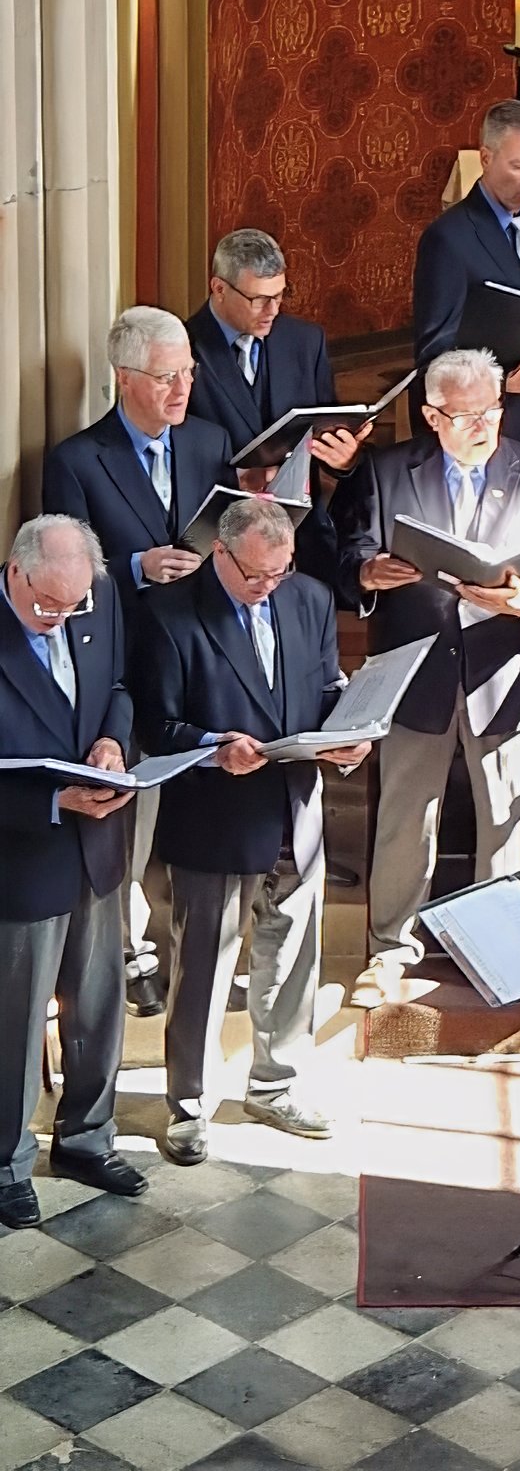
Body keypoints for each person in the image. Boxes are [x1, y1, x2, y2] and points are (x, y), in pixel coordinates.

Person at [332, 348, 520, 1002]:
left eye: (490, 411)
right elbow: (351, 549)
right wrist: (368, 572)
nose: (480, 425)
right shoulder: (388, 469)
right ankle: (390, 948)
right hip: (414, 666)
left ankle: (506, 952)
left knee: (506, 818)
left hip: (505, 667)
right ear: (431, 416)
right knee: (406, 814)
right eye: (463, 415)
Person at [131, 500, 370, 1164]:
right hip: (215, 814)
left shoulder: (309, 598)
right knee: (204, 969)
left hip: (296, 808)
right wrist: (214, 747)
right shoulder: (168, 612)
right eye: (256, 574)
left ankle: (276, 1085)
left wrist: (348, 735)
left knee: (292, 960)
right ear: (221, 553)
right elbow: (156, 725)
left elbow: (326, 689)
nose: (270, 585)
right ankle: (190, 1104)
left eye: (280, 571)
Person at [43, 306, 237, 1019]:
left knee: (196, 815)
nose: (182, 389)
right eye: (165, 377)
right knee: (130, 817)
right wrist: (134, 567)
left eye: (187, 373)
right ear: (123, 378)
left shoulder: (210, 441)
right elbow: (64, 571)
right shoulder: (75, 461)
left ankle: (187, 950)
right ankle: (128, 957)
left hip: (202, 658)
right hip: (125, 661)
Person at [0, 517, 147, 1227]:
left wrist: (112, 741)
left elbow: (116, 685)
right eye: (46, 605)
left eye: (73, 605)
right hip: (22, 857)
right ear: (16, 571)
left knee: (97, 1007)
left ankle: (88, 1139)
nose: (61, 618)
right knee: (15, 1024)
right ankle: (6, 1162)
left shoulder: (97, 596)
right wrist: (53, 800)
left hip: (98, 846)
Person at [186, 227, 369, 586]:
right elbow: (171, 456)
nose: (273, 310)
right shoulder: (184, 349)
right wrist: (239, 479)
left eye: (280, 295)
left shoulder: (305, 340)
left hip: (301, 540)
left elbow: (323, 426)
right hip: (224, 543)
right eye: (258, 299)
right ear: (219, 288)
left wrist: (343, 459)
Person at [410, 99, 520, 458]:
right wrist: (506, 385)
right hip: (488, 429)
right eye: (519, 166)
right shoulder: (447, 239)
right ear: (486, 158)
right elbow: (433, 359)